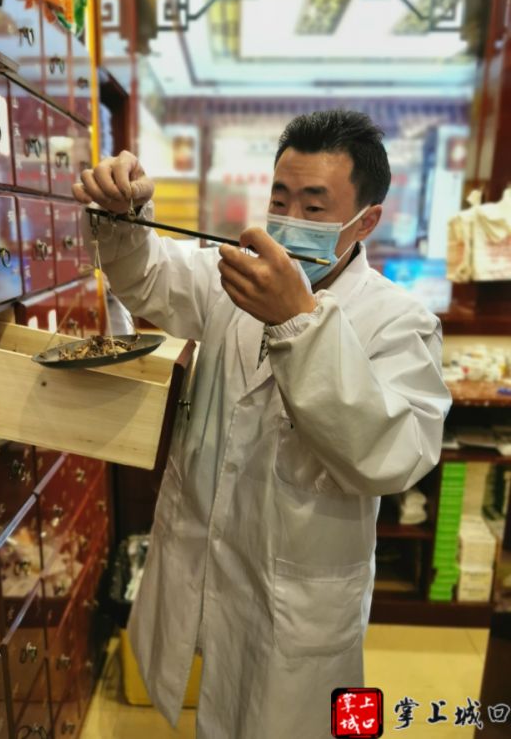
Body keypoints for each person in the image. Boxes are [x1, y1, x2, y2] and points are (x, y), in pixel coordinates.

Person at [73, 110, 451, 739]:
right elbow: (150, 277)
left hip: (299, 594)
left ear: (366, 221)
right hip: (212, 556)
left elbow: (393, 456)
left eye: (314, 205)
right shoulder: (231, 279)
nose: (289, 219)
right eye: (280, 200)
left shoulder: (398, 321)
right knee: (215, 710)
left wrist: (298, 324)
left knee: (289, 720)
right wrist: (125, 213)